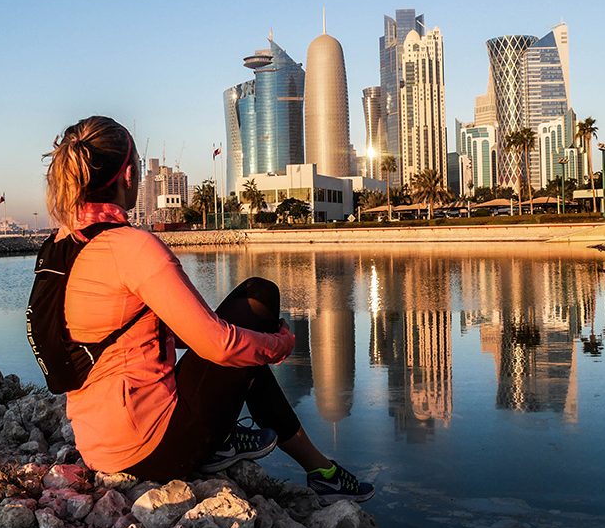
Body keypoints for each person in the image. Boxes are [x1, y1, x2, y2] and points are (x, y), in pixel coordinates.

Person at [43, 115, 373, 503]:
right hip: (150, 450)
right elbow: (218, 345)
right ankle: (317, 470)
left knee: (241, 345)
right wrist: (278, 345)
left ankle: (318, 469)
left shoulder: (61, 244)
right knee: (257, 297)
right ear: (129, 175)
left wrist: (247, 343)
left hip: (97, 441)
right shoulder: (130, 248)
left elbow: (136, 336)